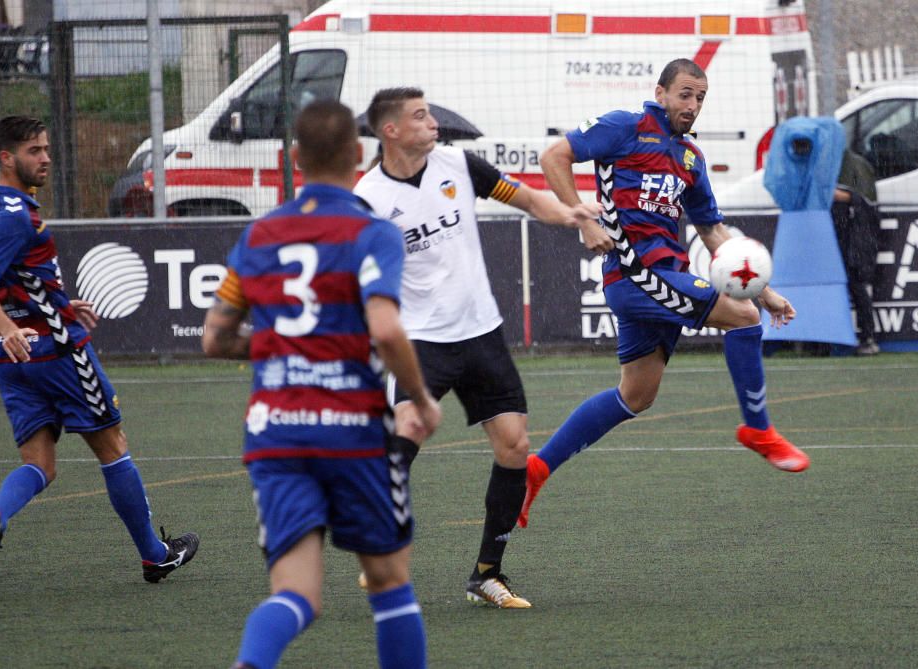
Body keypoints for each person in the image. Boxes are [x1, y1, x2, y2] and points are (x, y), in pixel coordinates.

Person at [520, 58, 811, 528]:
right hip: (637, 274)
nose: (693, 105)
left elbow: (713, 233)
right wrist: (582, 218)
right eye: (685, 94)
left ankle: (537, 468)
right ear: (661, 93)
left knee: (636, 396)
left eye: (700, 97)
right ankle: (759, 430)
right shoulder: (625, 127)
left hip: (662, 275)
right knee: (741, 317)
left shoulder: (690, 158)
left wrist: (766, 291)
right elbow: (555, 157)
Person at [202, 100, 442, 669]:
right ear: (358, 155)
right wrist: (423, 401)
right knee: (388, 582)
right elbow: (385, 328)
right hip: (353, 432)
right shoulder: (372, 231)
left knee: (295, 595)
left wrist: (283, 346)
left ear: (294, 160)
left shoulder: (259, 235)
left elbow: (215, 338)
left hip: (277, 433)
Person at [353, 87, 603, 608]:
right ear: (390, 131)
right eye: (419, 117)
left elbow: (529, 200)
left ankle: (488, 574)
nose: (432, 122)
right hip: (422, 338)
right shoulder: (368, 199)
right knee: (409, 428)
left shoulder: (460, 164)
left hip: (481, 330)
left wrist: (573, 214)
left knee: (514, 445)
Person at [0, 116, 199, 587]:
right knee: (113, 446)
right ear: (7, 157)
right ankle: (155, 555)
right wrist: (15, 325)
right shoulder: (15, 215)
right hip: (55, 352)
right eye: (34, 150)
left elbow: (11, 279)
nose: (46, 157)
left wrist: (49, 304)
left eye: (47, 148)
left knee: (40, 463)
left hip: (14, 361)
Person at [832, 147, 880, 355]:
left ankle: (867, 337)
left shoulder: (849, 168)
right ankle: (857, 338)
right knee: (855, 288)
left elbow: (851, 197)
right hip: (849, 242)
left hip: (855, 244)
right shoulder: (855, 165)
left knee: (857, 286)